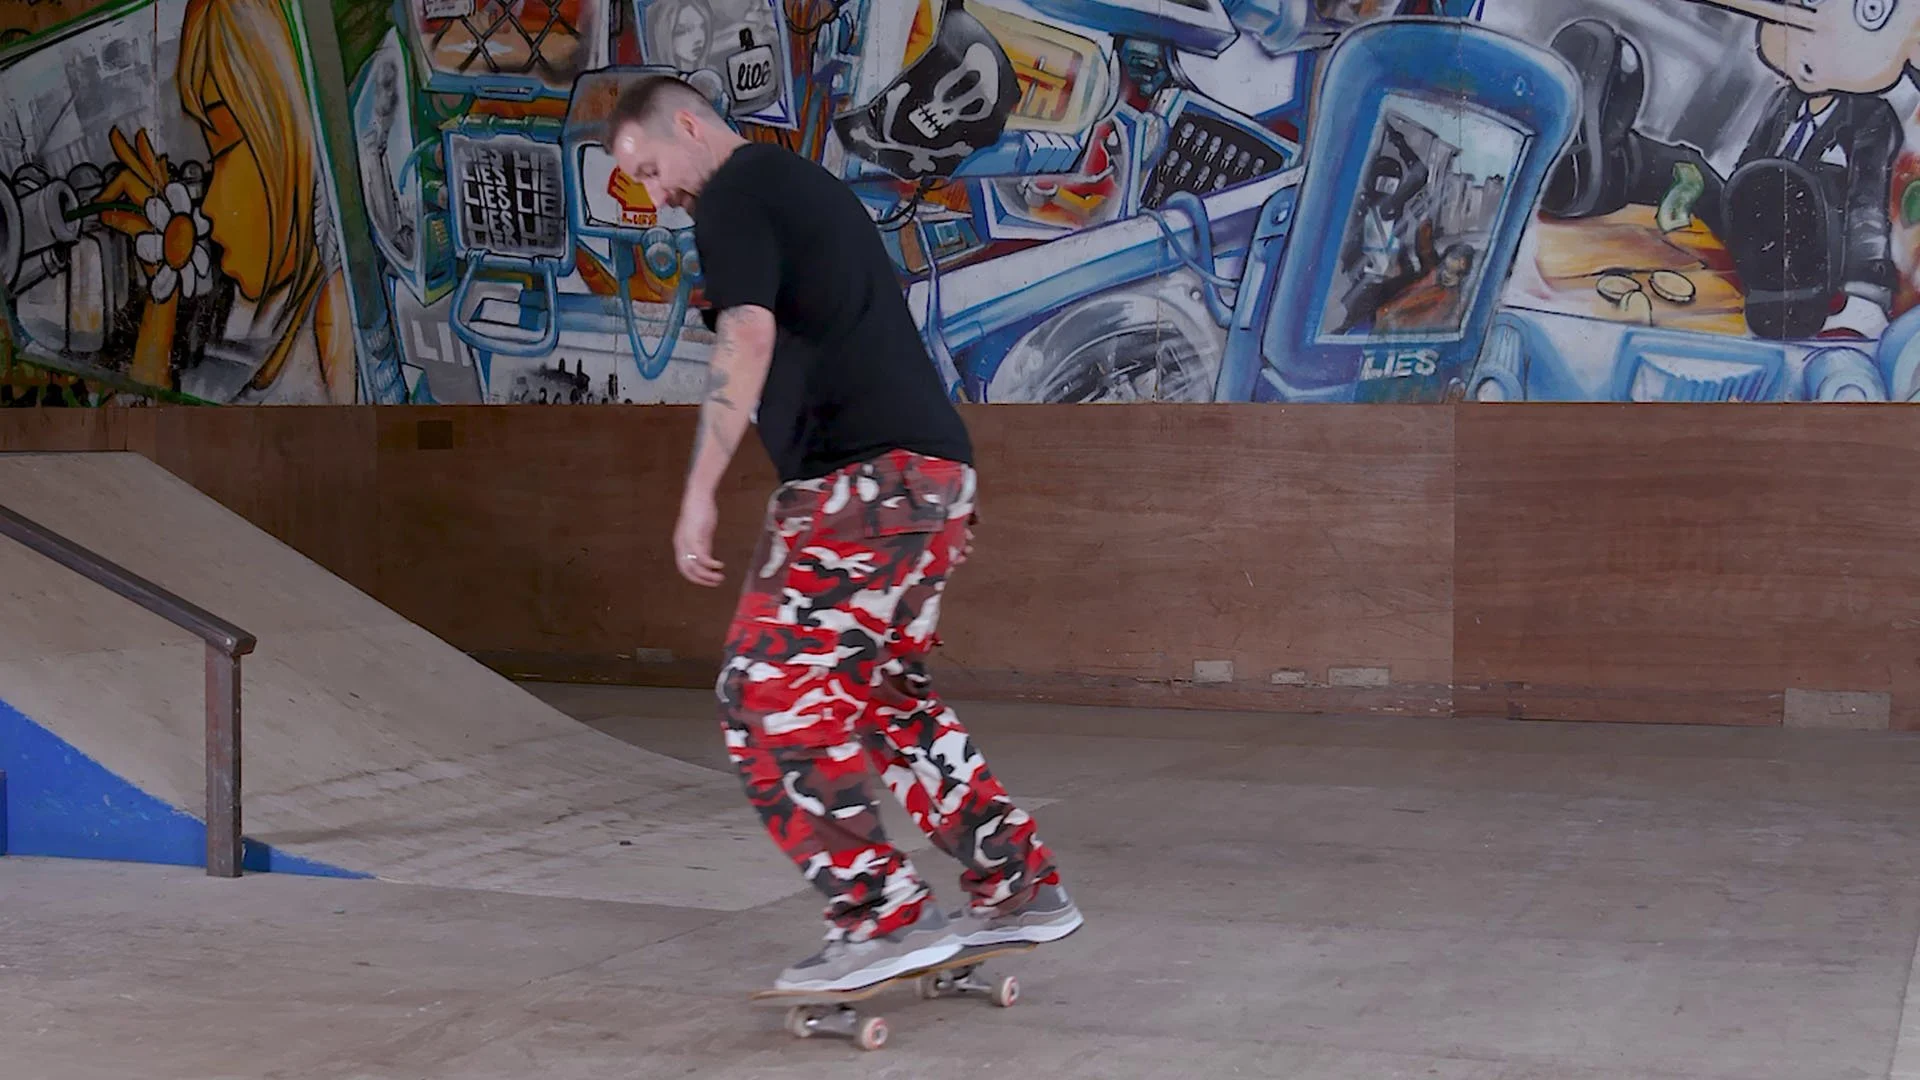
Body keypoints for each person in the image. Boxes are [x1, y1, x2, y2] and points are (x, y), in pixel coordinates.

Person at [607, 75, 1082, 994]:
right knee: (884, 696)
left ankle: (881, 915)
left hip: (861, 483)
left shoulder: (736, 191)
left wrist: (698, 492)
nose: (656, 194)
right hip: (925, 477)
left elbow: (745, 335)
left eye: (653, 168)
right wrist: (927, 511)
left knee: (763, 690)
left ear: (690, 128)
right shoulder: (799, 187)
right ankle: (1017, 885)